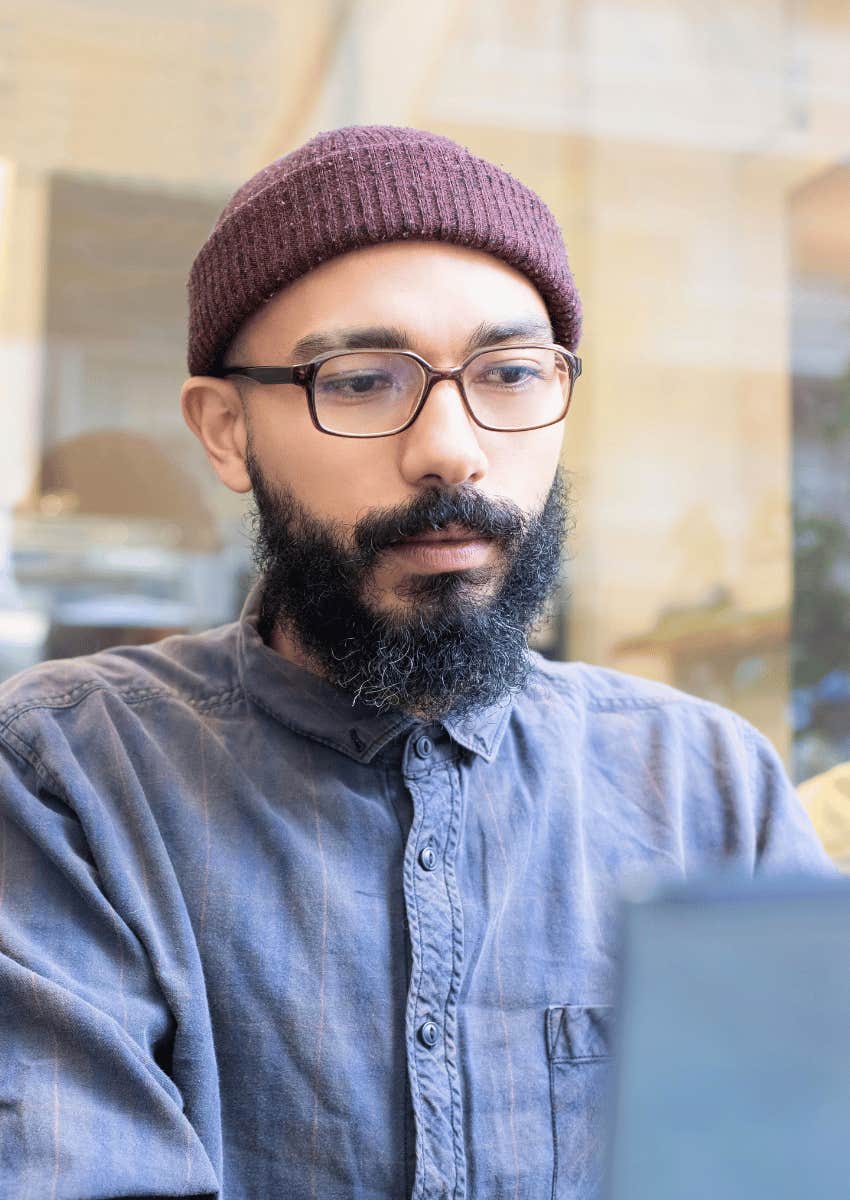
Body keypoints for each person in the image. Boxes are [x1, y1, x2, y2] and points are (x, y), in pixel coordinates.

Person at [0, 125, 832, 1200]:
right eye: (358, 381)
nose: (450, 446)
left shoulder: (705, 786)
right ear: (224, 432)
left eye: (513, 372)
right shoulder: (66, 774)